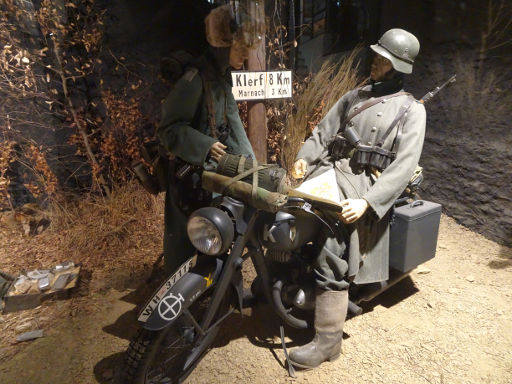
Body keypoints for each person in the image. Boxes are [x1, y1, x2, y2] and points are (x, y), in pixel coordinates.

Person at [289, 28, 426, 369]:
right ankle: (286, 285)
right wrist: (305, 157)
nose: (374, 63)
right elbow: (323, 131)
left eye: (381, 60)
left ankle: (327, 342)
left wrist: (368, 203)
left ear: (396, 67)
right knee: (287, 216)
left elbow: (403, 166)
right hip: (328, 174)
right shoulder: (353, 96)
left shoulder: (411, 111)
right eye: (376, 57)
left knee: (331, 249)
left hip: (364, 187)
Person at [157, 4, 263, 274]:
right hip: (188, 179)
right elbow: (168, 130)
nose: (245, 55)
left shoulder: (221, 79)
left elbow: (232, 127)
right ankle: (178, 306)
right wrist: (203, 145)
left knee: (211, 238)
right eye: (239, 49)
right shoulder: (195, 80)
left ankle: (208, 290)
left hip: (211, 179)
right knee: (184, 244)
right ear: (222, 46)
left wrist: (252, 167)